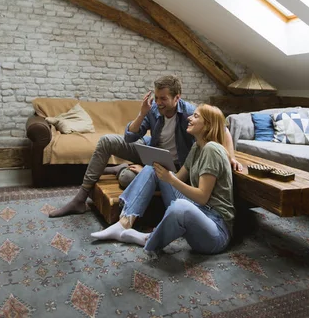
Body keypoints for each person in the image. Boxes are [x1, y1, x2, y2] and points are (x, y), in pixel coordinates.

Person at [49, 75, 241, 218]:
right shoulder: (154, 109)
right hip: (151, 153)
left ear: (177, 98)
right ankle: (80, 199)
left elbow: (223, 130)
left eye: (163, 99)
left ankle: (122, 168)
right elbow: (130, 136)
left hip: (174, 167)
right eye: (156, 97)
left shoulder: (190, 113)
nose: (158, 103)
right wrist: (142, 114)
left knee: (125, 178)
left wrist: (231, 156)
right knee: (107, 140)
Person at [91, 104, 235, 257]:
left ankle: (149, 239)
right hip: (199, 211)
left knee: (181, 205)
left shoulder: (212, 149)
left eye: (196, 116)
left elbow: (202, 196)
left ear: (207, 125)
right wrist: (153, 173)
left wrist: (170, 179)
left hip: (216, 231)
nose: (189, 118)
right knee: (154, 167)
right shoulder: (197, 148)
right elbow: (178, 178)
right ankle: (124, 223)